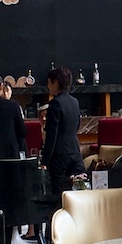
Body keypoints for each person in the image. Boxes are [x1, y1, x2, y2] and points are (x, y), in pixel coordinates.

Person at [41, 65, 86, 200]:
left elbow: (51, 134)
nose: (48, 86)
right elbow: (77, 125)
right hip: (75, 152)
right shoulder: (75, 102)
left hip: (59, 156)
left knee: (59, 195)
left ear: (55, 82)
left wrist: (45, 160)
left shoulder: (55, 103)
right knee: (79, 192)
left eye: (49, 82)